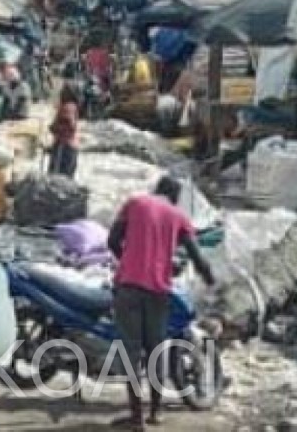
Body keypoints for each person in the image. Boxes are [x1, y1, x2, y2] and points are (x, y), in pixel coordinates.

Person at [107, 177, 215, 430]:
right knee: (157, 349)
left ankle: (136, 419)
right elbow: (197, 258)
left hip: (129, 289)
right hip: (158, 292)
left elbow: (112, 241)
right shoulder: (178, 216)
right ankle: (155, 413)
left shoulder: (135, 203)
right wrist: (211, 281)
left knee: (132, 352)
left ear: (156, 190)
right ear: (175, 198)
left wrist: (128, 261)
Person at [49, 88, 80, 178]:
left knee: (58, 175)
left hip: (64, 144)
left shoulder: (67, 107)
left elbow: (70, 125)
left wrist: (54, 128)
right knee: (67, 174)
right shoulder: (72, 106)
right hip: (70, 144)